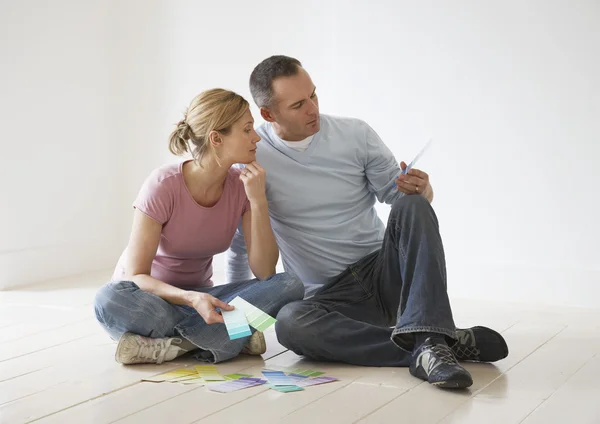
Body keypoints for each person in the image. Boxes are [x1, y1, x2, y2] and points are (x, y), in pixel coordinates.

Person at [225, 56, 508, 389]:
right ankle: (431, 343)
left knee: (414, 206)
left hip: (384, 274)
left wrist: (421, 189)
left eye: (314, 96)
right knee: (290, 324)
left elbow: (402, 201)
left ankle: (427, 338)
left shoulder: (355, 134)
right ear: (269, 114)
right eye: (298, 104)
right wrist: (237, 329)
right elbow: (242, 247)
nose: (313, 109)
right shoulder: (253, 157)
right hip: (330, 298)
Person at [94, 88, 305, 366]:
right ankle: (231, 336)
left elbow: (265, 271)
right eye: (246, 129)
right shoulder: (162, 185)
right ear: (217, 138)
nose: (256, 137)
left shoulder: (241, 187)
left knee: (289, 283)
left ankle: (176, 345)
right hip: (152, 301)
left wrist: (258, 200)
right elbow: (136, 277)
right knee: (108, 298)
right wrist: (191, 299)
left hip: (205, 301)